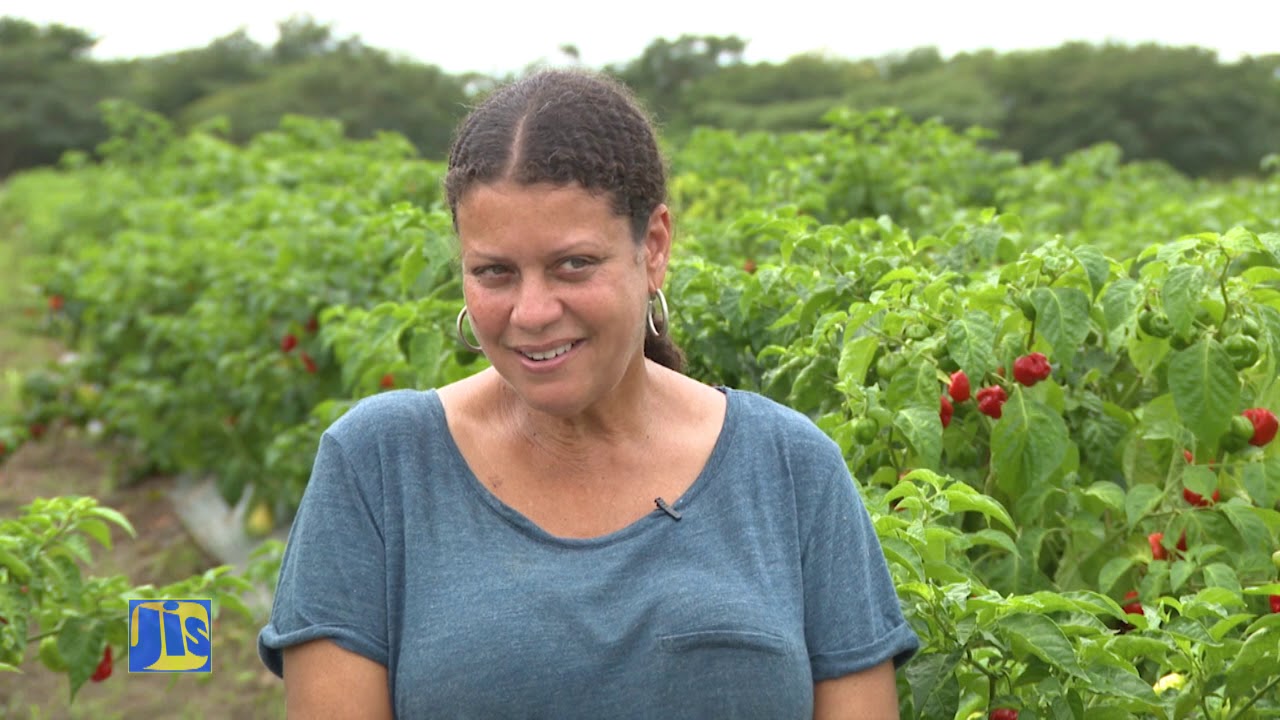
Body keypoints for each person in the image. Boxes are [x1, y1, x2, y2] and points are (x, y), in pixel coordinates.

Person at [257, 67, 919, 718]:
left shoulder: (790, 468)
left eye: (573, 265)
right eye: (494, 272)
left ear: (653, 247)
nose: (532, 312)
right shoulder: (378, 465)